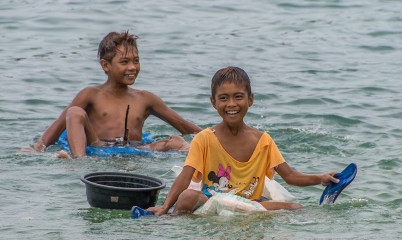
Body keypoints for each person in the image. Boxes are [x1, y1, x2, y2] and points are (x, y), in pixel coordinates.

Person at [148, 66, 339, 215]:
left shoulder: (263, 141)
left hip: (249, 206)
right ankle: (169, 221)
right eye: (223, 98)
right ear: (213, 102)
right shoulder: (204, 139)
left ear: (251, 99)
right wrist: (164, 208)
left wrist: (320, 178)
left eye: (238, 97)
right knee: (188, 196)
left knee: (296, 207)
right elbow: (185, 176)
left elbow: (290, 176)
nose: (231, 104)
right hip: (212, 202)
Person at [21, 31, 202, 158]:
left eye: (136, 61)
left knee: (176, 142)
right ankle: (79, 163)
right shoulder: (90, 94)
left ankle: (202, 158)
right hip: (97, 146)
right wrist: (38, 149)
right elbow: (59, 125)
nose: (132, 67)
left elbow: (185, 127)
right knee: (74, 112)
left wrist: (215, 138)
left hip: (135, 150)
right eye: (124, 62)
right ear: (105, 65)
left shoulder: (146, 99)